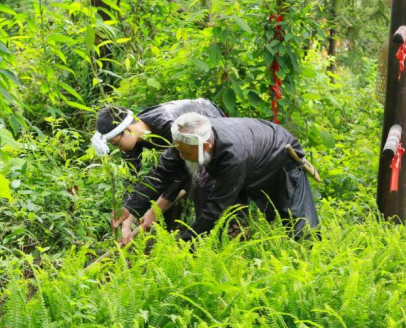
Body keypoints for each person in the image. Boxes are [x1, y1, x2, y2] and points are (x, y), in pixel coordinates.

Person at [114, 113, 319, 241]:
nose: (180, 156)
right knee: (209, 193)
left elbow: (216, 207)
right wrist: (130, 208)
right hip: (250, 156)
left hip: (279, 156)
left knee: (300, 225)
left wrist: (185, 240)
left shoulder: (232, 157)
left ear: (205, 146)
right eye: (178, 151)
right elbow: (160, 174)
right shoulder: (185, 141)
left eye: (185, 153)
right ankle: (234, 245)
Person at [91, 99, 225, 243]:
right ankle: (167, 239)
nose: (118, 149)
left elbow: (180, 171)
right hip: (186, 154)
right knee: (163, 192)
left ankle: (211, 240)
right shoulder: (135, 135)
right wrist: (127, 219)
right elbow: (132, 179)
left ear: (128, 130)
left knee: (202, 185)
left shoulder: (170, 126)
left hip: (211, 131)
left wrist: (155, 210)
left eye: (116, 143)